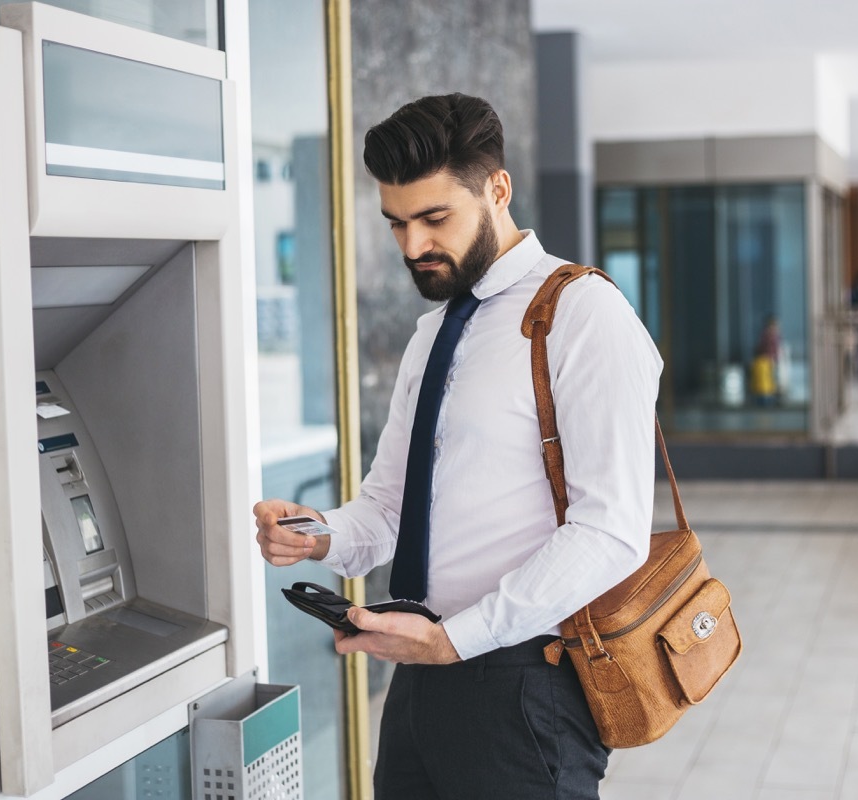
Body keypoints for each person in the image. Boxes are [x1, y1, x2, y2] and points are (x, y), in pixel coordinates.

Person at [253, 93, 662, 798]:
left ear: (497, 189)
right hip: (419, 679)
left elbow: (611, 530)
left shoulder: (583, 312)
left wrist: (455, 640)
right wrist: (317, 535)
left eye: (434, 218)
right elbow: (388, 509)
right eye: (397, 224)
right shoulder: (433, 333)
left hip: (528, 683)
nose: (413, 247)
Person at [749, 315, 780, 405]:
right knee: (767, 380)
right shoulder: (770, 335)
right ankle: (766, 400)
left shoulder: (769, 334)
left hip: (768, 360)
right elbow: (769, 349)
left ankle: (767, 399)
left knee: (768, 381)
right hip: (768, 361)